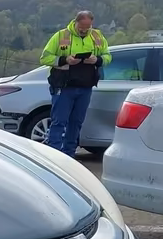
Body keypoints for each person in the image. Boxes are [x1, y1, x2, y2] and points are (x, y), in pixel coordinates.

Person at [38, 10, 111, 156]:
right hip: (64, 86)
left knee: (76, 122)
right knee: (59, 122)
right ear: (75, 22)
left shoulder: (97, 36)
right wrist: (65, 60)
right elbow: (44, 58)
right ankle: (53, 155)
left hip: (85, 87)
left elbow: (108, 56)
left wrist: (97, 60)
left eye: (87, 27)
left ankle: (69, 154)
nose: (84, 30)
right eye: (81, 27)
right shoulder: (61, 36)